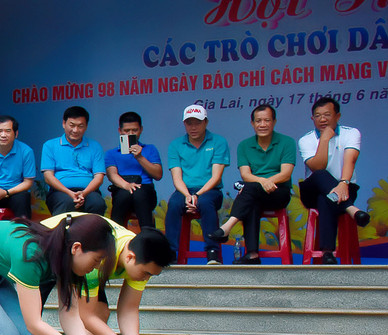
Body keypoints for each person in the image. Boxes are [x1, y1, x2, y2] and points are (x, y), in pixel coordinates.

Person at [41, 214, 172, 335]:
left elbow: (128, 309)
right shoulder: (96, 258)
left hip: (75, 259)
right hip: (46, 251)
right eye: (146, 273)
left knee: (100, 311)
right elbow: (86, 317)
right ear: (130, 257)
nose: (146, 278)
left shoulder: (138, 255)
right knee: (18, 323)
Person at [208, 104, 296, 264]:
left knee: (248, 190)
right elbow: (245, 175)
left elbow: (285, 174)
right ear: (252, 123)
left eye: (267, 120)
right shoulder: (244, 145)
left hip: (278, 192)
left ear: (274, 122)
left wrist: (268, 182)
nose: (262, 124)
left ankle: (227, 226)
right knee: (251, 198)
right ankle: (252, 255)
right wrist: (263, 181)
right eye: (258, 121)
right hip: (255, 191)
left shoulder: (287, 142)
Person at [297, 96, 370, 264]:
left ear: (337, 116)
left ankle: (327, 253)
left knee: (326, 198)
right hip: (312, 190)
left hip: (345, 187)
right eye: (318, 115)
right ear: (312, 118)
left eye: (327, 115)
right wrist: (324, 139)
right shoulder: (306, 140)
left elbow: (350, 160)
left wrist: (344, 183)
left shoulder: (351, 133)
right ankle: (352, 210)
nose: (322, 119)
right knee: (321, 175)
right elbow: (317, 167)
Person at [164, 104, 230, 264]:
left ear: (206, 122)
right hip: (184, 191)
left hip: (210, 190)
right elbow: (177, 178)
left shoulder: (219, 142)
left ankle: (212, 252)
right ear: (184, 124)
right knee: (173, 204)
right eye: (189, 123)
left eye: (197, 122)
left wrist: (197, 196)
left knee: (206, 203)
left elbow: (216, 177)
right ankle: (171, 253)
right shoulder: (176, 145)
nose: (193, 127)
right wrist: (188, 195)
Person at [41, 106, 106, 216]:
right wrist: (70, 193)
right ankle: (61, 233)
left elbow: (99, 177)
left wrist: (84, 194)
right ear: (64, 123)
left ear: (86, 126)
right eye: (72, 125)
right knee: (66, 202)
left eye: (80, 126)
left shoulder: (95, 146)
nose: (75, 130)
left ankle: (92, 233)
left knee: (97, 203)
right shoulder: (50, 145)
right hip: (60, 192)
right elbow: (48, 177)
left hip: (88, 191)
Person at [105, 111, 163, 228]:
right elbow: (112, 175)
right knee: (123, 196)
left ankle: (147, 238)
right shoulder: (111, 153)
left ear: (141, 129)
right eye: (126, 131)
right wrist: (127, 185)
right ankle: (116, 237)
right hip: (122, 189)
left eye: (135, 130)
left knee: (140, 194)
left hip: (145, 191)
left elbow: (158, 175)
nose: (131, 134)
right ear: (120, 131)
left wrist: (140, 157)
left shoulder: (150, 149)